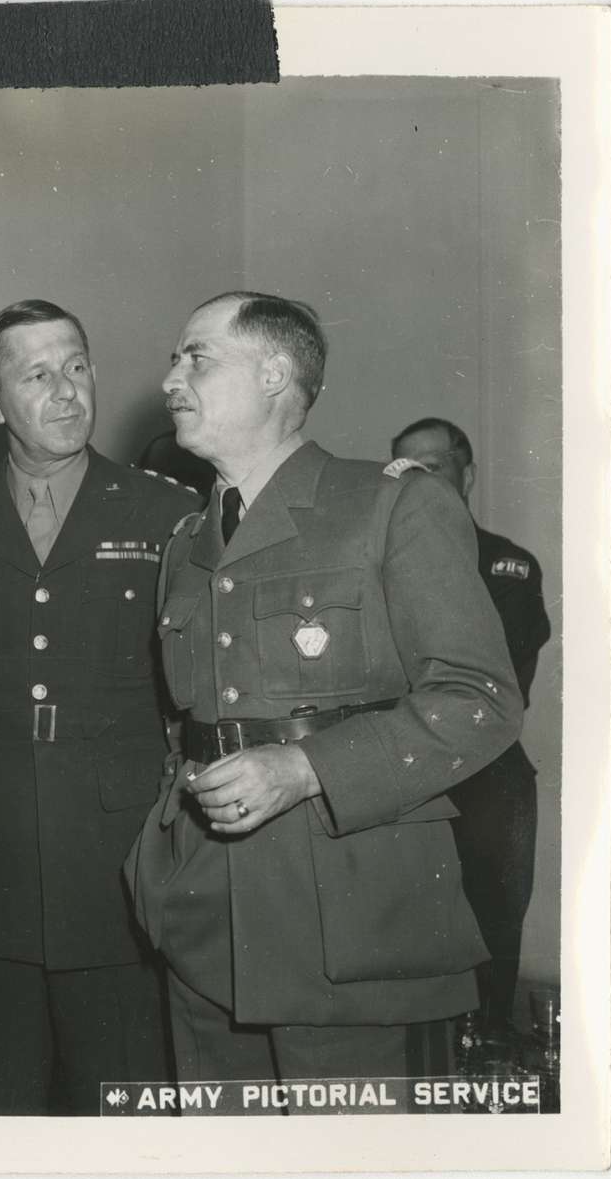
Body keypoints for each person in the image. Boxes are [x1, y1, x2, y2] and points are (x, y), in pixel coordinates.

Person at [124, 291, 524, 1088]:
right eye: (174, 359)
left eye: (196, 355)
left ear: (275, 373)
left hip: (352, 929)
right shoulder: (186, 541)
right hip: (205, 919)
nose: (170, 377)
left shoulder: (390, 504)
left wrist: (306, 769)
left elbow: (481, 698)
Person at [0, 300, 196, 1114]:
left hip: (121, 861)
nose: (67, 392)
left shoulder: (168, 515)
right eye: (36, 375)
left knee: (125, 1109)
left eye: (77, 366)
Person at [390, 416, 552, 1037]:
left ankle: (487, 1051)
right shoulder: (378, 559)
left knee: (492, 927)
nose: (416, 480)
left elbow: (483, 681)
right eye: (403, 469)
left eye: (431, 467)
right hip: (405, 771)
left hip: (485, 774)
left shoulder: (506, 566)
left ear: (468, 475)